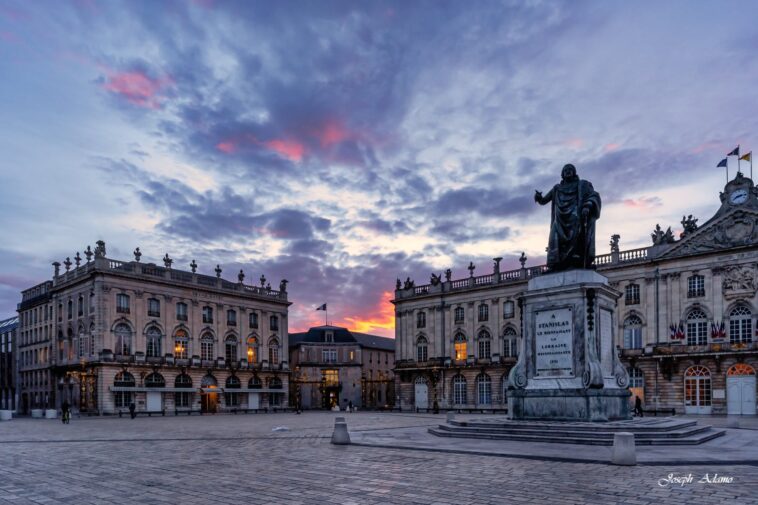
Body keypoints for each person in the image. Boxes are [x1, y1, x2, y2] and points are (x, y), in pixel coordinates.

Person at [535, 164, 601, 271]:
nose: (568, 171)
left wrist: (588, 205)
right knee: (554, 236)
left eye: (570, 169)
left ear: (574, 172)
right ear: (562, 174)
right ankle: (555, 263)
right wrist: (539, 198)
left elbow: (593, 195)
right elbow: (544, 200)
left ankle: (575, 259)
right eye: (565, 170)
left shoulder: (582, 184)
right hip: (560, 219)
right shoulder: (557, 188)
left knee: (577, 230)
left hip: (576, 216)